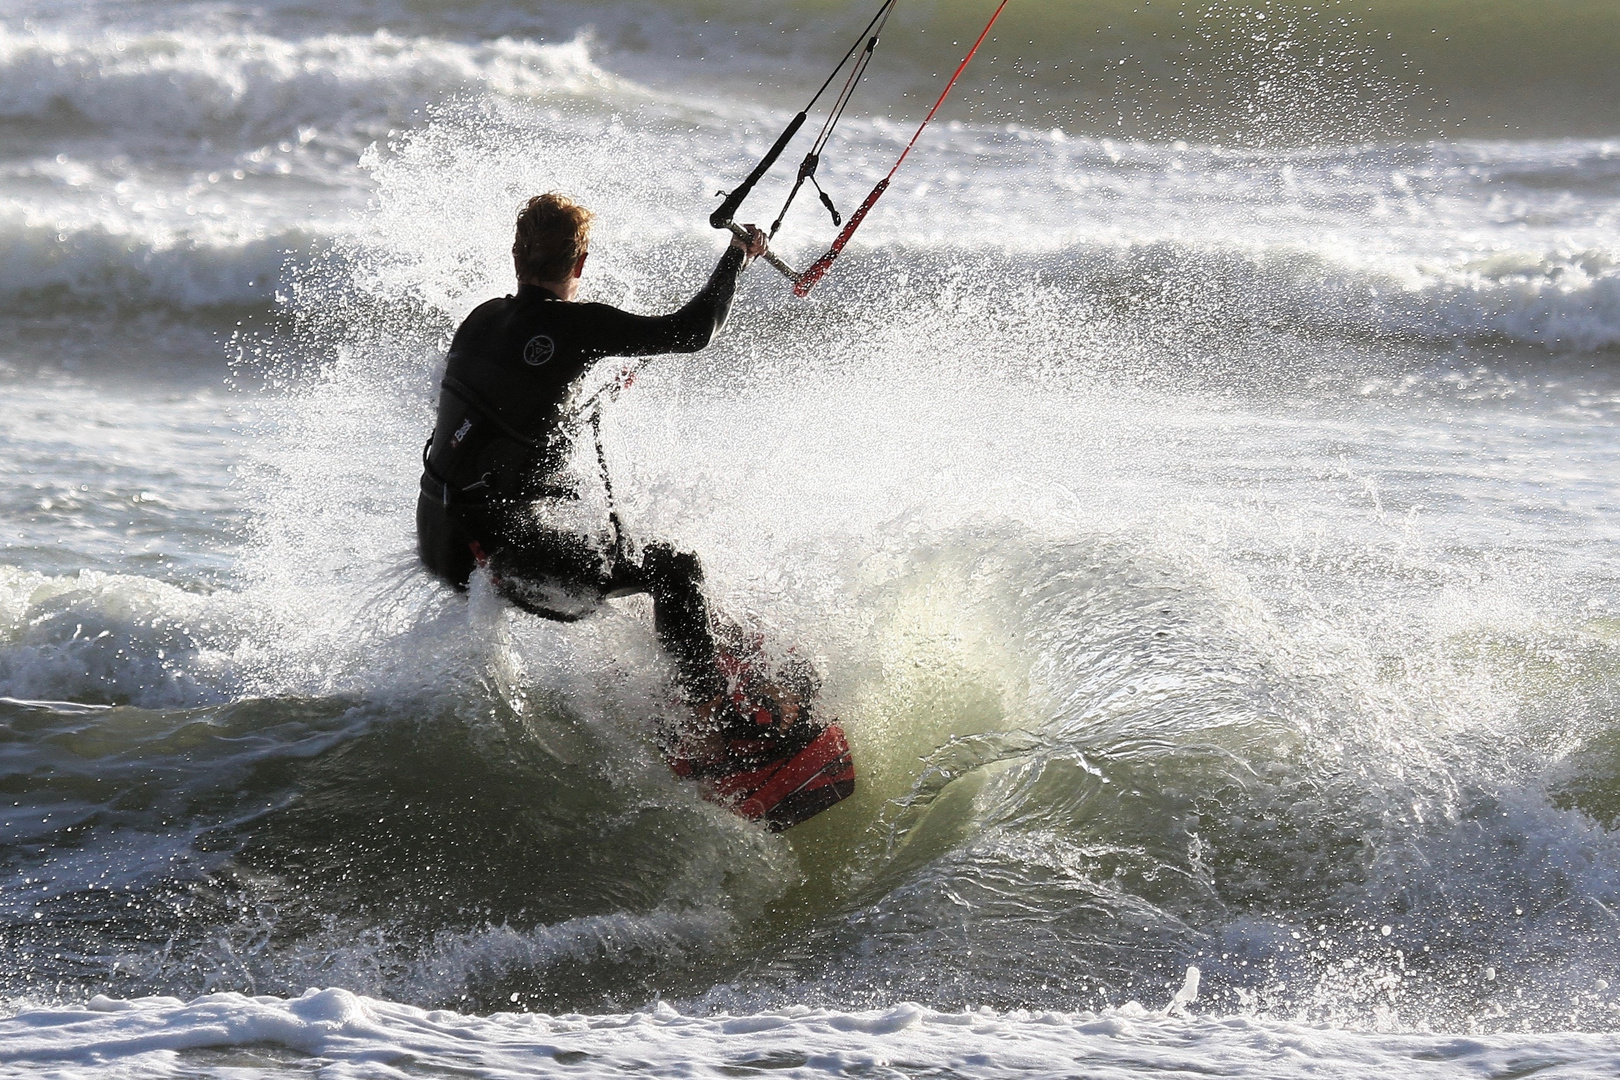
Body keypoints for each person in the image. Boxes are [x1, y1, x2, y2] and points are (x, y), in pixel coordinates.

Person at [417, 193, 776, 710]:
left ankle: (679, 667)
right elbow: (692, 332)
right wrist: (738, 257)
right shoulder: (578, 325)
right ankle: (710, 712)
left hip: (438, 535)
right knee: (674, 570)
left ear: (516, 257)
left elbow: (488, 415)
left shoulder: (479, 319)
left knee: (606, 556)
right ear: (580, 262)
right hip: (500, 550)